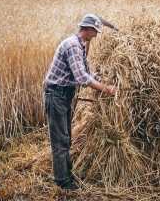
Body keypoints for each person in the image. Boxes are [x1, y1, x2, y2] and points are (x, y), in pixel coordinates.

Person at [43, 14, 119, 190]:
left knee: (66, 138)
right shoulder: (73, 46)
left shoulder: (79, 45)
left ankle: (67, 173)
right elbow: (82, 77)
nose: (96, 35)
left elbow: (87, 72)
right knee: (60, 141)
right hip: (56, 96)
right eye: (95, 31)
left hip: (63, 96)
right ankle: (61, 181)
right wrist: (106, 89)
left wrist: (104, 81)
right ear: (88, 28)